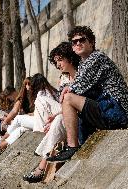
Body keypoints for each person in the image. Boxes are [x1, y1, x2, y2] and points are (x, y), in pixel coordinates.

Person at [46, 26, 128, 163]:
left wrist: (68, 88)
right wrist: (67, 88)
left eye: (82, 40)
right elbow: (72, 91)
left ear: (91, 42)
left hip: (116, 112)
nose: (78, 43)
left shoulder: (97, 58)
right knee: (72, 102)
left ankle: (72, 147)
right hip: (107, 110)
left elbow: (76, 89)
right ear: (73, 48)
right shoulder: (82, 64)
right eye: (74, 42)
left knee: (69, 99)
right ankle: (78, 145)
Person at [23, 42, 80, 183]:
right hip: (69, 114)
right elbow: (64, 105)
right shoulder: (65, 79)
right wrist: (54, 117)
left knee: (52, 111)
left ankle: (41, 167)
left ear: (70, 57)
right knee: (58, 118)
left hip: (82, 114)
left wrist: (56, 117)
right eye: (56, 62)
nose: (58, 65)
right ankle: (42, 166)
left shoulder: (82, 73)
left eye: (60, 60)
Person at [0, 73, 60, 156]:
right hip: (45, 121)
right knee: (20, 129)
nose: (29, 87)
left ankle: (1, 139)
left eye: (31, 84)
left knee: (19, 118)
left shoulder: (42, 93)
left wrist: (7, 120)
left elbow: (46, 111)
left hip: (43, 123)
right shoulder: (50, 92)